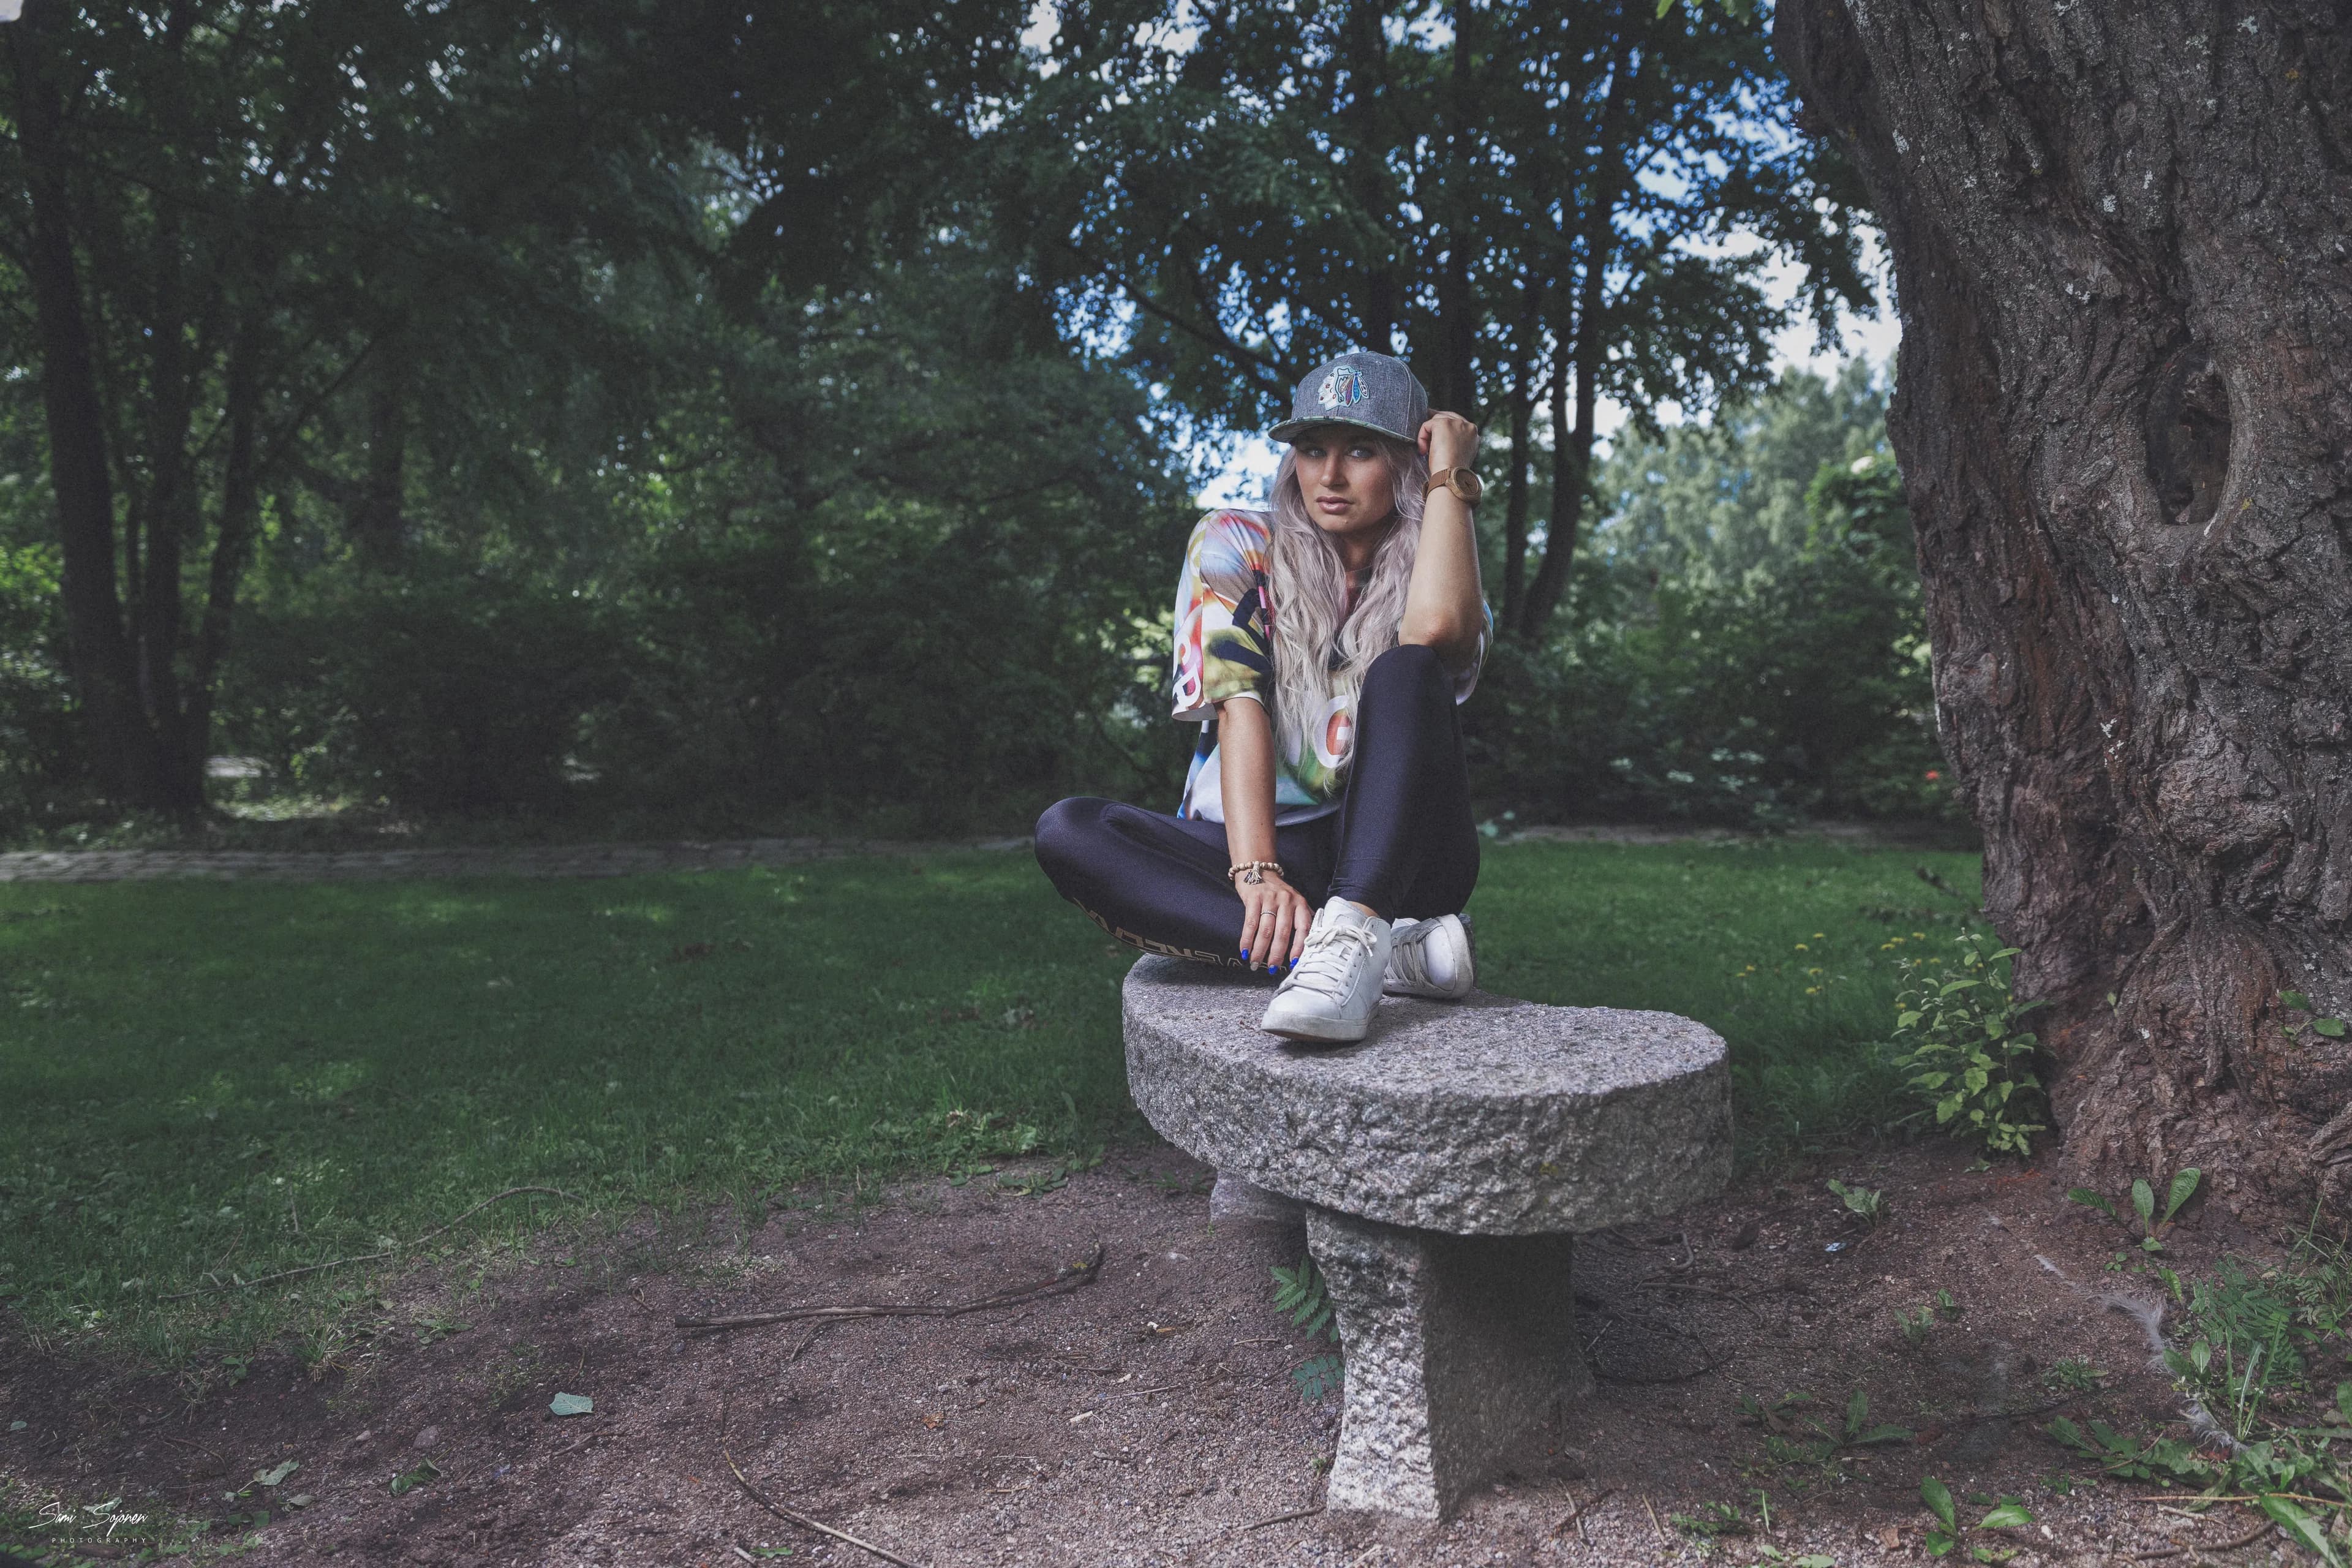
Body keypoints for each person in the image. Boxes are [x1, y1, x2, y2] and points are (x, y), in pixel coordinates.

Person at [1035, 350, 1488, 1044]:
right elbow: (1238, 705)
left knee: (1406, 669)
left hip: (1394, 857)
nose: (1329, 476)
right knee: (1071, 831)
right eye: (1311, 450)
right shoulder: (1236, 541)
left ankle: (1357, 925)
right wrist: (1256, 871)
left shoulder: (1438, 558)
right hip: (1259, 844)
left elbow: (1434, 633)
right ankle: (1374, 955)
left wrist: (1450, 476)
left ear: (1405, 465)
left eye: (1361, 450)